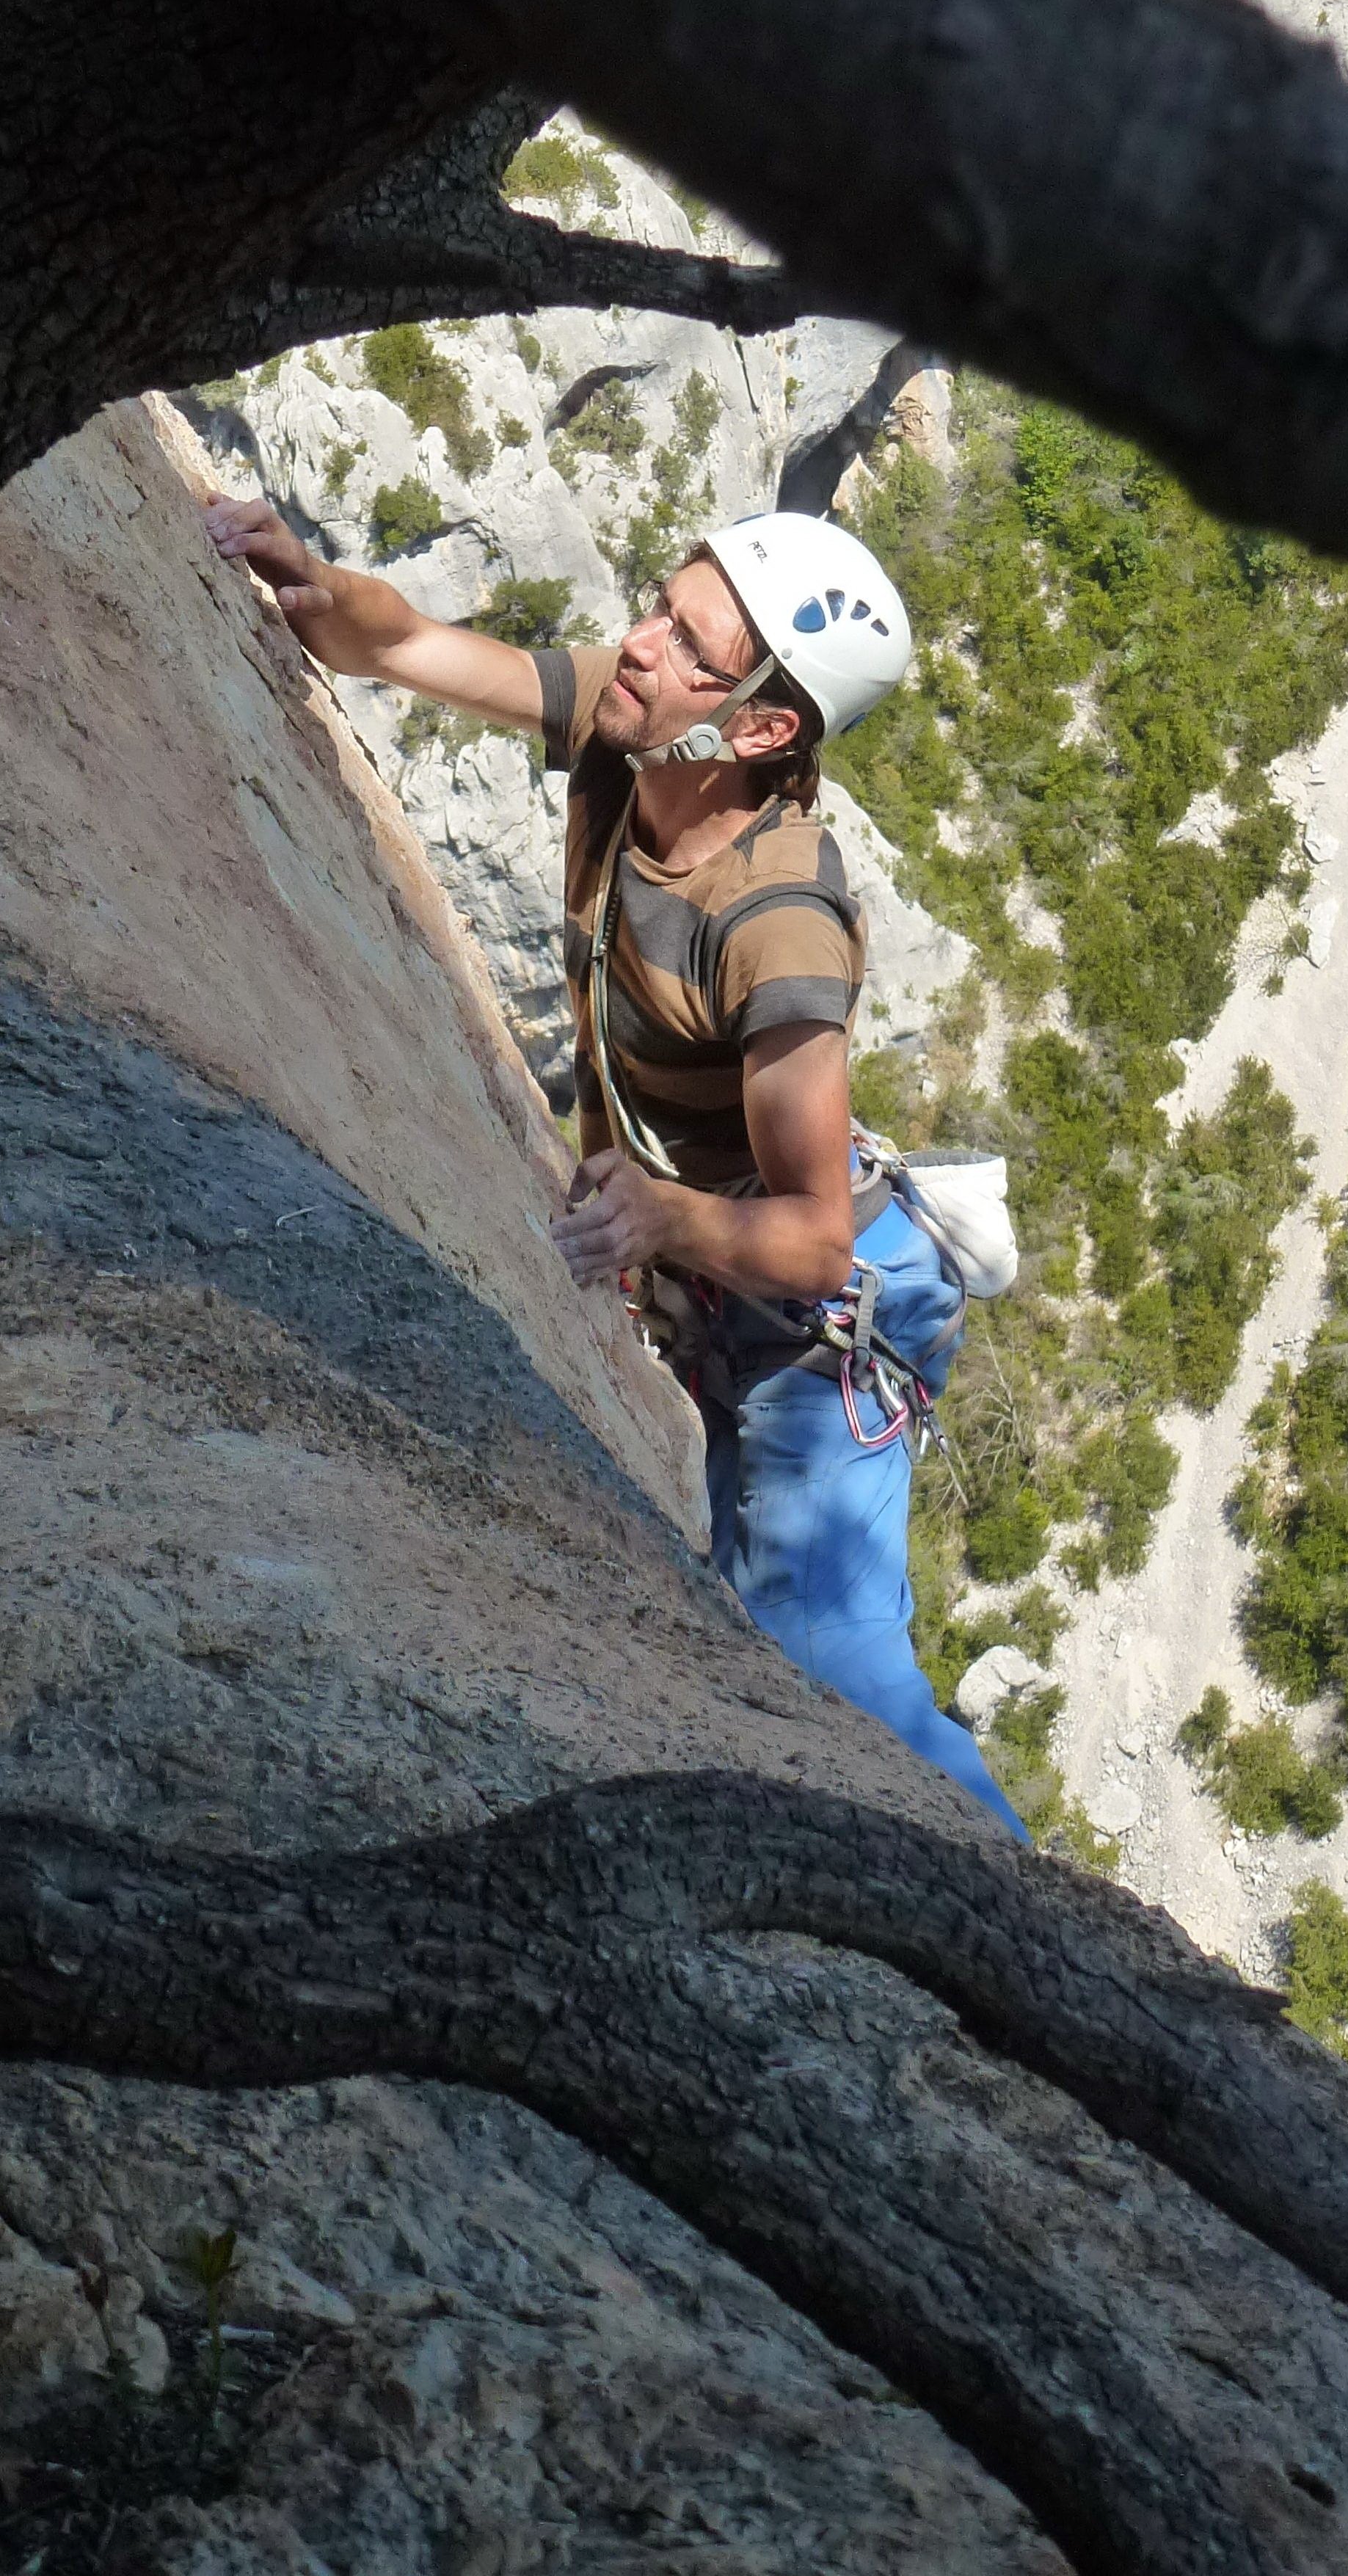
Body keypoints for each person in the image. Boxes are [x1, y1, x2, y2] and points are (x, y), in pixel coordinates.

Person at [205, 493, 1027, 1839]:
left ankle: (1039, 1931)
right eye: (658, 605)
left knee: (836, 1682)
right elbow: (408, 645)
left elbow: (819, 1237)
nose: (641, 645)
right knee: (762, 1646)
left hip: (815, 1333)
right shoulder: (635, 732)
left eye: (687, 642)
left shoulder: (776, 924)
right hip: (727, 1297)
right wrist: (312, 582)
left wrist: (658, 1215)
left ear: (761, 727)